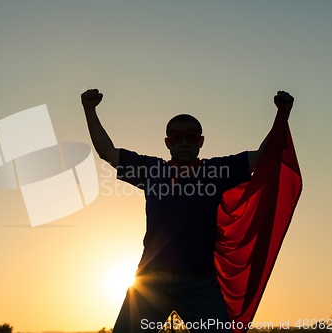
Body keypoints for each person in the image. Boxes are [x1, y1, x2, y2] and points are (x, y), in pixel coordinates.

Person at [81, 89, 294, 333]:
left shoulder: (216, 171)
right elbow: (107, 152)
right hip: (150, 281)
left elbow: (260, 158)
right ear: (167, 143)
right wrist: (90, 110)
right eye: (177, 137)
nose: (184, 142)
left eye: (191, 137)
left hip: (200, 282)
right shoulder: (152, 170)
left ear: (201, 141)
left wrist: (282, 115)